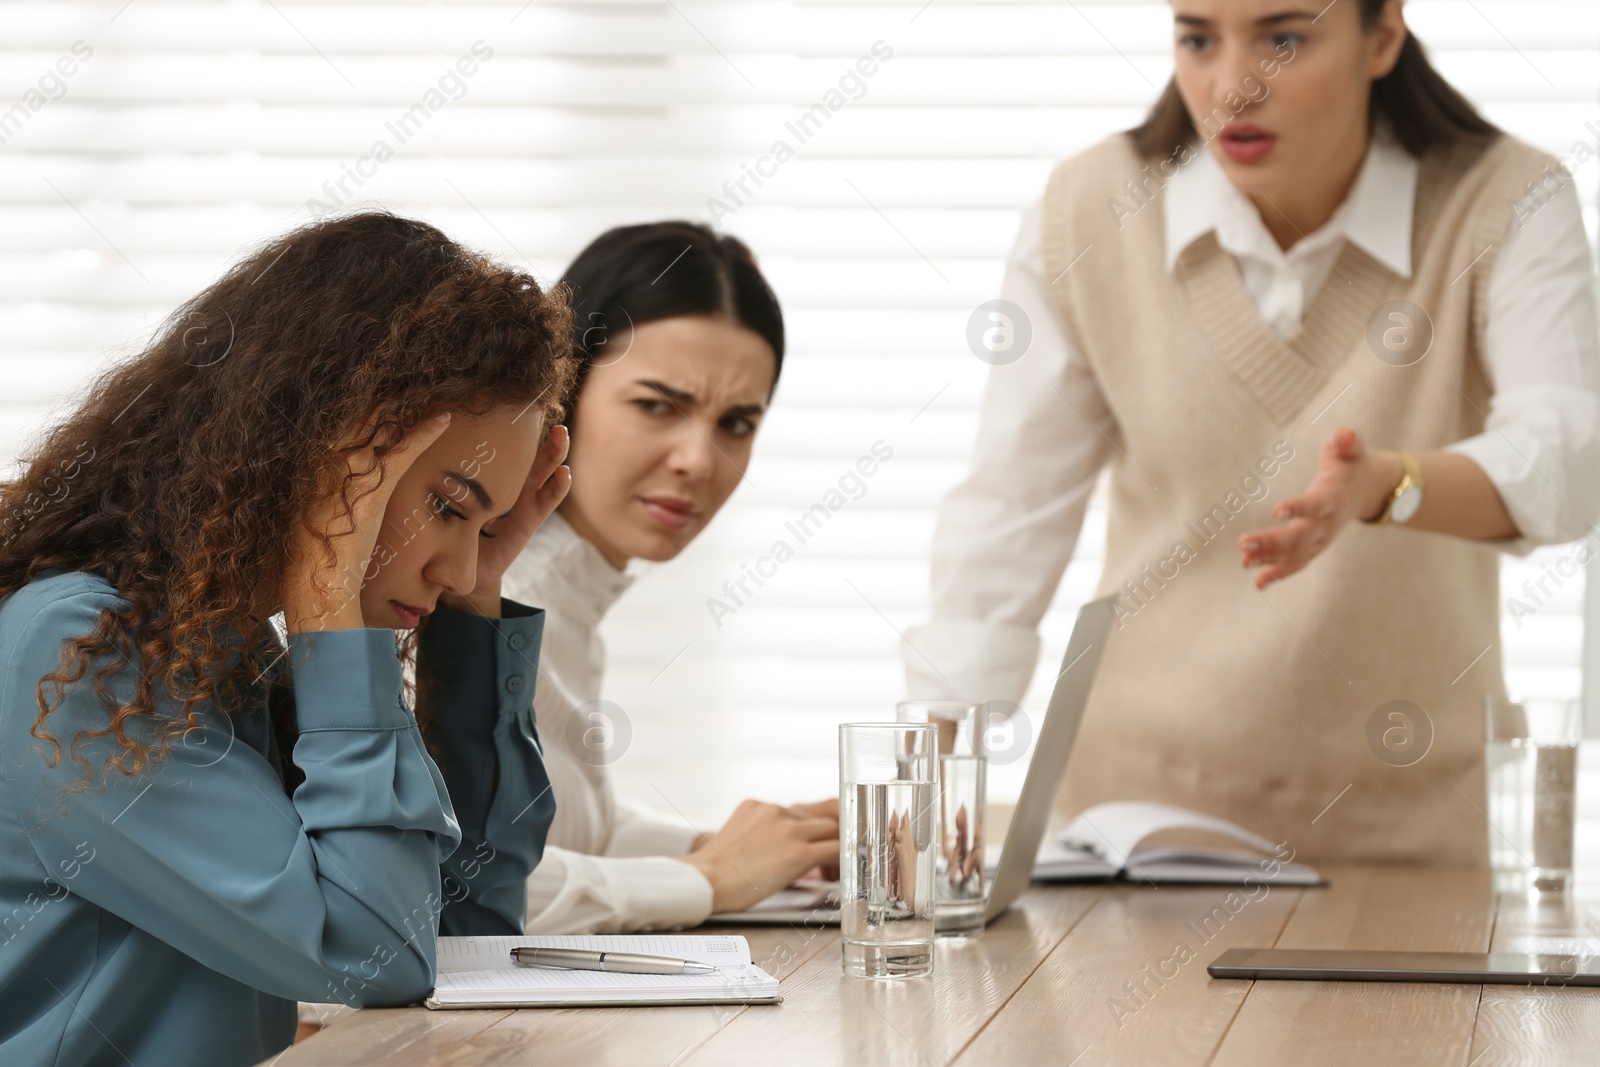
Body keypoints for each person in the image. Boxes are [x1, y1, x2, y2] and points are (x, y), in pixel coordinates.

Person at [906, 0, 1600, 865]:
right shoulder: (1090, 210)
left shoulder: (1505, 202)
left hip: (1410, 839)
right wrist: (922, 792)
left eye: (1283, 37)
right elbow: (1011, 510)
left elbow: (1569, 465)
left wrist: (1387, 483)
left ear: (1382, 35)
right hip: (1138, 835)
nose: (1231, 88)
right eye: (1197, 38)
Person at [0, 212, 578, 1067]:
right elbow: (375, 955)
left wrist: (477, 607)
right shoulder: (82, 648)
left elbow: (467, 929)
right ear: (318, 455)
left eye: (485, 528)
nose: (457, 566)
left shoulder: (231, 652)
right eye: (451, 507)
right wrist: (332, 622)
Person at [506, 221, 839, 932]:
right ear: (560, 389)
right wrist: (708, 876)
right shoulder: (482, 597)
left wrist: (766, 848)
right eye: (658, 405)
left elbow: (567, 834)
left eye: (737, 423)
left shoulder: (569, 593)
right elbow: (460, 886)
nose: (699, 459)